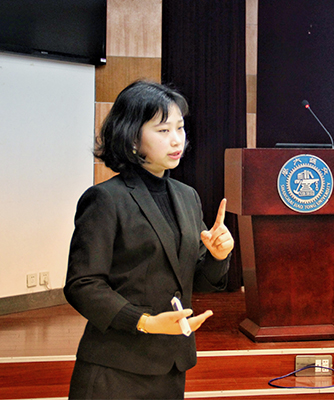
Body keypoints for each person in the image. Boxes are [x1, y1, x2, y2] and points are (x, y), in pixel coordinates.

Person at [64, 80, 233, 399]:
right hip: (115, 368)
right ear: (131, 138)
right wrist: (145, 322)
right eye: (163, 130)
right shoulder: (105, 199)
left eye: (180, 128)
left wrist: (218, 256)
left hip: (171, 365)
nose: (177, 139)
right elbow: (82, 285)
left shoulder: (187, 196)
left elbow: (199, 280)